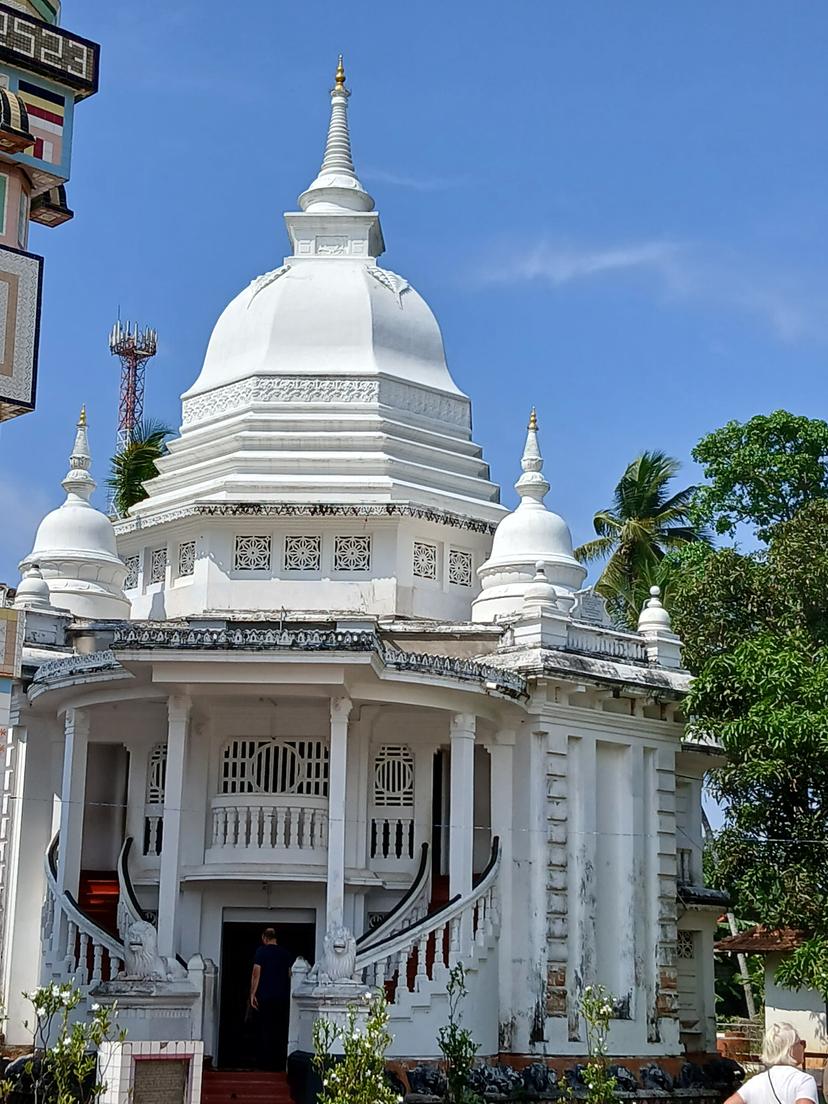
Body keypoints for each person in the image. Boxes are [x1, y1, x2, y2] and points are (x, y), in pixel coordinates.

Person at [724, 1023, 817, 1104]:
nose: (803, 1046)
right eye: (801, 1043)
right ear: (790, 1048)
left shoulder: (754, 1082)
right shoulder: (804, 1081)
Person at [249, 928, 293, 1072]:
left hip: (265, 997)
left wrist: (252, 994)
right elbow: (290, 975)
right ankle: (278, 1063)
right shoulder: (285, 953)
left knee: (264, 1030)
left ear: (264, 938)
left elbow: (256, 974)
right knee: (279, 1030)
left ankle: (264, 1063)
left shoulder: (261, 952)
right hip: (282, 998)